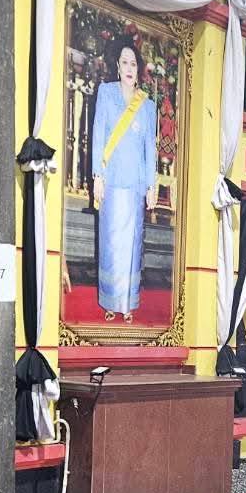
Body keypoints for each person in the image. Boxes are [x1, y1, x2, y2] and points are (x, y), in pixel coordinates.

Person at [90, 39, 157, 321]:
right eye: (125, 62)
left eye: (133, 63)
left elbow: (149, 149)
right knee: (111, 243)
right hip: (111, 179)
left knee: (131, 244)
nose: (129, 68)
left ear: (138, 69)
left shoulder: (147, 105)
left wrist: (151, 185)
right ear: (117, 66)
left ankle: (128, 303)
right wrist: (97, 176)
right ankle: (109, 301)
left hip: (135, 184)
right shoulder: (106, 94)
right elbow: (98, 136)